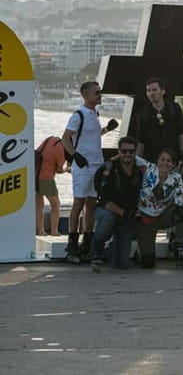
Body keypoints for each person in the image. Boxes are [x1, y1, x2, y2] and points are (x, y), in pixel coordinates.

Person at [61, 81, 118, 263]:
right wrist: (75, 156)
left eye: (100, 92)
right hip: (83, 167)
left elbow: (91, 135)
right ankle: (72, 245)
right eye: (96, 92)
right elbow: (65, 139)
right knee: (78, 204)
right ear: (85, 94)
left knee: (91, 204)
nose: (100, 95)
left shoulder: (94, 113)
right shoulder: (78, 115)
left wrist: (107, 129)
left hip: (96, 166)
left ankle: (87, 244)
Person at [134, 148, 183, 269]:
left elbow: (179, 202)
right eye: (162, 160)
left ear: (173, 164)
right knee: (148, 263)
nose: (165, 163)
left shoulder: (176, 178)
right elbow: (131, 156)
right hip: (143, 218)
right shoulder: (149, 168)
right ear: (157, 161)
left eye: (169, 161)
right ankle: (141, 250)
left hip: (161, 216)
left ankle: (179, 247)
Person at [90, 137, 142, 272]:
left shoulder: (140, 171)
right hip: (107, 211)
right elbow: (105, 201)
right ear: (119, 151)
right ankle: (96, 252)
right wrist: (125, 213)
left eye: (131, 151)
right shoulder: (108, 169)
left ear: (135, 152)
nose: (127, 154)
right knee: (108, 218)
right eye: (124, 151)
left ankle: (111, 251)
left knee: (123, 264)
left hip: (127, 217)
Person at [131, 77, 183, 163]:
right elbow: (141, 141)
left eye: (154, 90)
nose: (151, 93)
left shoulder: (174, 108)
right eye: (148, 90)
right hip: (153, 160)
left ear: (163, 91)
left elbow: (181, 132)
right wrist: (139, 163)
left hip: (173, 158)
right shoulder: (143, 114)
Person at [35, 136, 65, 236]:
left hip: (34, 176)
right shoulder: (60, 148)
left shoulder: (48, 140)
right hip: (46, 178)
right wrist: (67, 169)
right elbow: (59, 170)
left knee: (39, 205)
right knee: (55, 205)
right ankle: (54, 231)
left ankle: (41, 231)